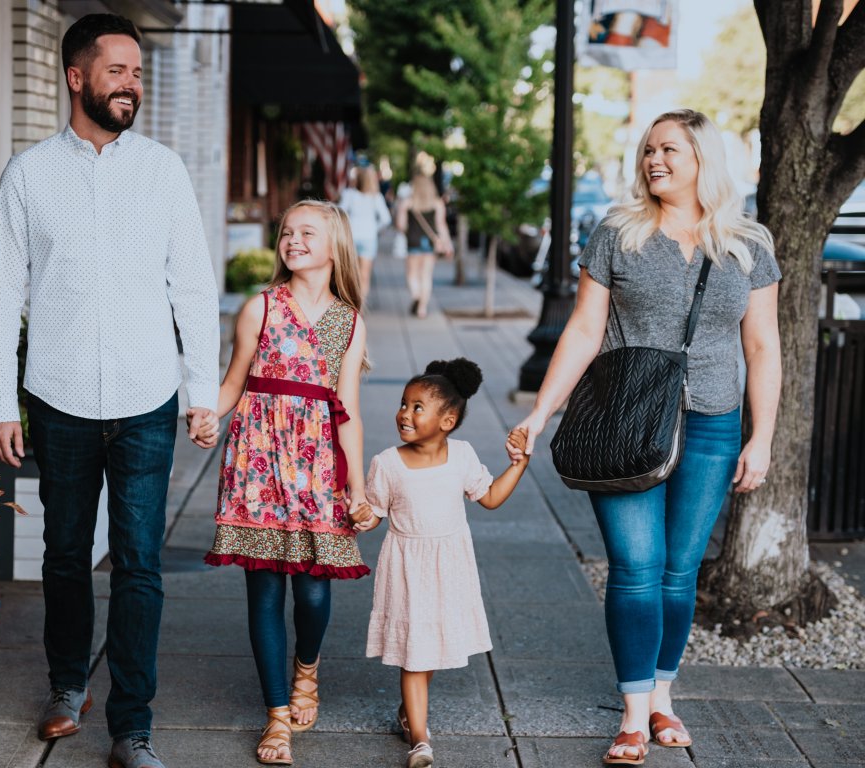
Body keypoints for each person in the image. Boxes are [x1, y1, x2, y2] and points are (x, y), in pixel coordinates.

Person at [0, 14, 221, 768]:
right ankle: (64, 686)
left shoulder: (163, 171)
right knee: (61, 555)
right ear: (76, 76)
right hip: (57, 398)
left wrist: (200, 390)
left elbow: (192, 287)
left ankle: (132, 724)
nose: (132, 85)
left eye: (139, 73)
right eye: (118, 70)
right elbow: (1, 296)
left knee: (140, 562)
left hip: (147, 395)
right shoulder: (27, 174)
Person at [507, 109, 781, 766]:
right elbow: (580, 330)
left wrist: (762, 435)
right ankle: (632, 715)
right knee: (634, 568)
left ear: (702, 159)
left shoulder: (748, 242)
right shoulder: (617, 233)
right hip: (626, 419)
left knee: (679, 572)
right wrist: (541, 411)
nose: (654, 160)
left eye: (669, 149)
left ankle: (662, 697)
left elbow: (764, 345)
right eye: (648, 150)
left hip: (712, 423)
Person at [204, 200, 369, 765]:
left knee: (315, 591)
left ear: (333, 245)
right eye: (286, 232)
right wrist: (208, 415)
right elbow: (233, 383)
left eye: (306, 232)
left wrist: (359, 487)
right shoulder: (260, 308)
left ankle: (307, 668)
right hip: (257, 462)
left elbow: (348, 406)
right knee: (266, 589)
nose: (292, 240)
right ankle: (277, 716)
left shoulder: (349, 321)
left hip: (318, 463)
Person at [353, 359, 530, 768]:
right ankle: (420, 740)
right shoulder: (388, 463)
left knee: (428, 652)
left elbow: (489, 497)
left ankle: (407, 712)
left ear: (447, 420)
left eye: (417, 407)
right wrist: (360, 516)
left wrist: (518, 465)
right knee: (416, 654)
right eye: (403, 403)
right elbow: (374, 514)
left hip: (448, 567)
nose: (404, 412)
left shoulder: (463, 457)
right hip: (407, 569)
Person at [395, 173, 453, 318]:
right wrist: (447, 244)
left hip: (413, 242)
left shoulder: (407, 202)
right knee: (426, 275)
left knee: (412, 274)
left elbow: (400, 225)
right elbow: (441, 226)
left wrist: (408, 229)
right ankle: (422, 308)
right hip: (430, 243)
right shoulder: (437, 203)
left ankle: (416, 295)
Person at [339, 165, 391, 305]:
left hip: (352, 237)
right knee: (364, 275)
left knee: (350, 273)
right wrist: (375, 228)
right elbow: (386, 219)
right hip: (369, 238)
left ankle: (351, 302)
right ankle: (360, 306)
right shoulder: (376, 197)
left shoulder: (349, 194)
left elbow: (340, 213)